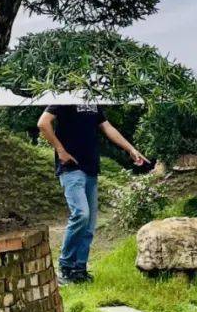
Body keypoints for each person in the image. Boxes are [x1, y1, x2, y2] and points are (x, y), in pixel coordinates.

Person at [37, 101, 148, 285]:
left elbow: (107, 126)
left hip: (90, 168)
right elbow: (43, 123)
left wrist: (130, 149)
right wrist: (61, 151)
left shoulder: (91, 101)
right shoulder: (65, 98)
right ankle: (65, 266)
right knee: (81, 214)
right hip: (71, 168)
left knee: (89, 224)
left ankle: (79, 269)